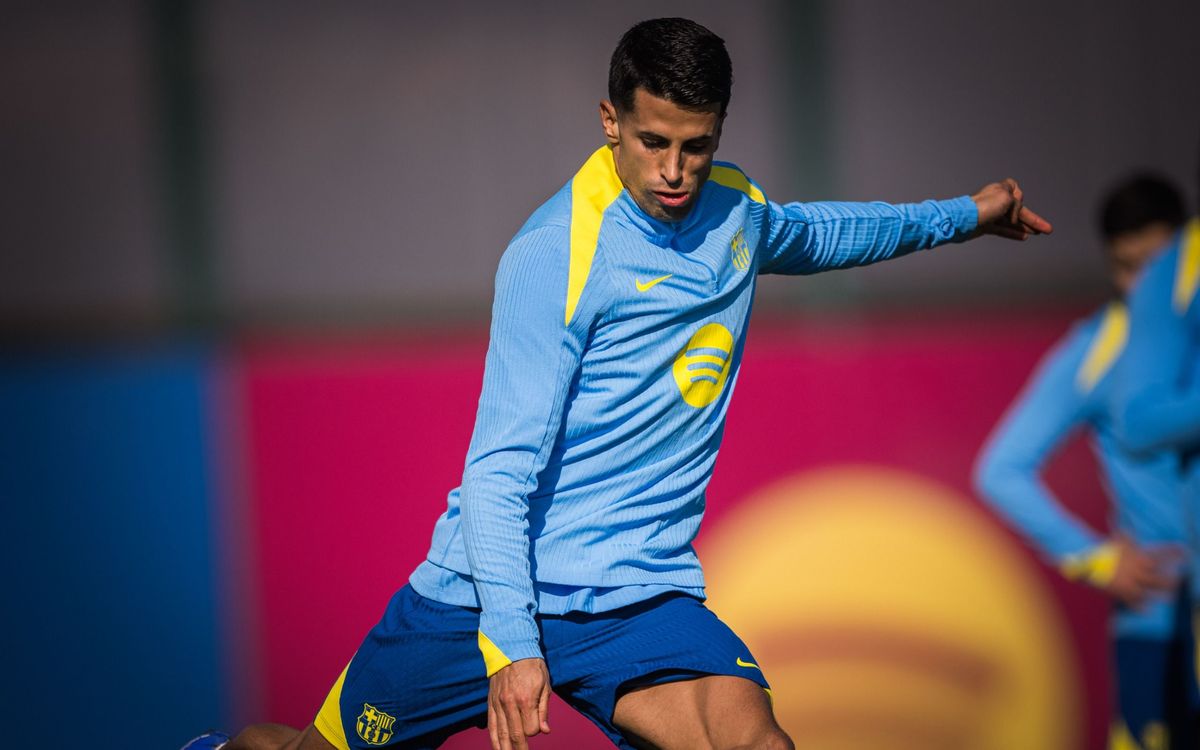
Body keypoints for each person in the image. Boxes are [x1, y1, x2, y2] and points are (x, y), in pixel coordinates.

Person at [192, 17, 1051, 750]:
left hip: (634, 595)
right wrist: (514, 646)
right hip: (485, 596)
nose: (675, 171)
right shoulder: (554, 254)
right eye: (653, 143)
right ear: (610, 120)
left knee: (752, 740)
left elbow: (818, 233)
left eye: (696, 146)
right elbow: (495, 476)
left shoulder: (735, 211)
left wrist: (965, 216)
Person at [973, 174, 1191, 748]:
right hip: (1160, 623)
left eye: (1161, 266)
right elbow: (1001, 470)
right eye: (1128, 267)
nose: (1145, 285)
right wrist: (1095, 560)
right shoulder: (1097, 350)